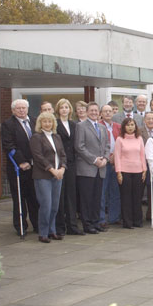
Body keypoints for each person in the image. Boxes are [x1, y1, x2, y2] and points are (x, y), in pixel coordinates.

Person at [1, 99, 39, 236]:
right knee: (19, 199)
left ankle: (37, 224)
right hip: (18, 168)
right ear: (13, 110)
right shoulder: (8, 124)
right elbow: (9, 145)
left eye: (24, 108)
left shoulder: (35, 121)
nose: (21, 110)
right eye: (18, 108)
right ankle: (21, 226)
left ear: (27, 109)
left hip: (35, 167)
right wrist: (22, 162)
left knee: (34, 198)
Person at [30, 112, 67, 243]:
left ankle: (52, 231)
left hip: (58, 176)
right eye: (45, 122)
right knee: (46, 204)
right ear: (40, 123)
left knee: (55, 206)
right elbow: (38, 157)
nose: (47, 124)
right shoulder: (36, 137)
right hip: (43, 176)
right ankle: (43, 233)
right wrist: (52, 170)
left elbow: (62, 154)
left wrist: (62, 168)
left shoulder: (57, 137)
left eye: (50, 121)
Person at [74, 102, 110, 234]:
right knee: (86, 199)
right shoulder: (81, 126)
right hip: (87, 168)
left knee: (97, 197)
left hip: (101, 169)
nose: (94, 112)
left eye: (96, 110)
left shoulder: (102, 127)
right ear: (87, 112)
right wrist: (94, 160)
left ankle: (96, 222)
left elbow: (107, 145)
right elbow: (79, 146)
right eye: (92, 110)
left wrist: (105, 159)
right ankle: (87, 224)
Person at [54, 99, 82, 235]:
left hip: (72, 163)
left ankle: (72, 226)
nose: (64, 110)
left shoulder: (74, 125)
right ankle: (60, 227)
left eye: (66, 107)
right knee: (60, 195)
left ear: (70, 109)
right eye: (61, 107)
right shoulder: (55, 124)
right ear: (58, 110)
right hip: (59, 163)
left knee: (71, 195)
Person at [114, 118, 146, 229]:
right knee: (126, 198)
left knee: (137, 198)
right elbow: (117, 156)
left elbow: (142, 155)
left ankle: (138, 221)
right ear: (124, 127)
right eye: (128, 125)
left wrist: (144, 170)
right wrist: (118, 172)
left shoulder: (139, 139)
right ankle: (127, 222)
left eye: (132, 125)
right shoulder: (120, 139)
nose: (130, 127)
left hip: (138, 171)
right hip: (124, 172)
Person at [99, 105, 122, 227]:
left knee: (115, 191)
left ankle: (114, 217)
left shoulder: (118, 127)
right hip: (104, 163)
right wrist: (108, 156)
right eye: (105, 111)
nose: (108, 113)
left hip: (117, 164)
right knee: (102, 192)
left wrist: (116, 157)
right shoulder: (98, 126)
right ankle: (101, 218)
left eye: (110, 111)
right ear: (101, 113)